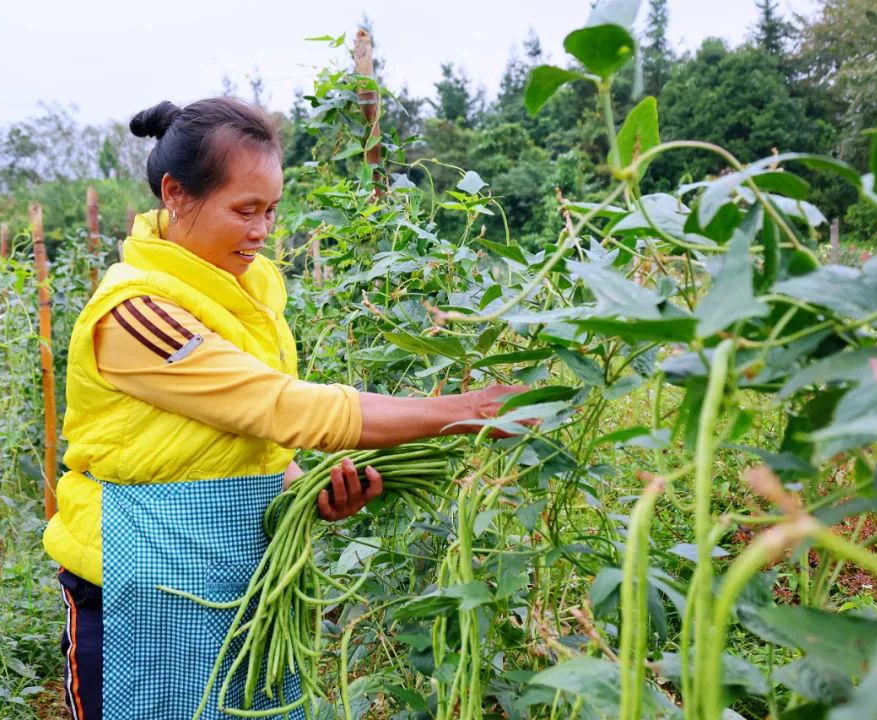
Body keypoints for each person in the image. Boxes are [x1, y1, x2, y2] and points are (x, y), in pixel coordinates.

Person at [42, 96, 527, 720]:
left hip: (236, 566)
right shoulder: (136, 313)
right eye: (244, 210)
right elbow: (279, 407)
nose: (262, 230)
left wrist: (300, 490)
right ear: (175, 193)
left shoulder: (244, 290)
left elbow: (247, 435)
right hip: (136, 579)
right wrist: (466, 410)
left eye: (270, 210)